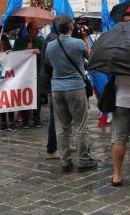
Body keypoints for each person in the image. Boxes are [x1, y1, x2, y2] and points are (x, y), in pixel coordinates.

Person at [45, 15, 97, 173]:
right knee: (81, 125)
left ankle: (65, 161)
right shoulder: (78, 43)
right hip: (75, 87)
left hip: (57, 88)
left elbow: (49, 63)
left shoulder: (50, 46)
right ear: (70, 27)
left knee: (62, 127)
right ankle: (84, 159)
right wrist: (86, 38)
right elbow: (91, 57)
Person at [14, 23, 44, 128]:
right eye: (35, 29)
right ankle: (25, 121)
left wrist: (39, 53)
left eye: (38, 29)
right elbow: (14, 57)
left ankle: (37, 120)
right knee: (24, 97)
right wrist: (27, 50)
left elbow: (45, 57)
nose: (37, 31)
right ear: (29, 30)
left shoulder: (40, 41)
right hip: (23, 75)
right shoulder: (20, 41)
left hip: (37, 73)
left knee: (37, 98)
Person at [40, 23, 59, 159]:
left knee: (60, 116)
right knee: (54, 116)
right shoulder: (53, 41)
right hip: (52, 83)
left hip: (51, 82)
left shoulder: (50, 38)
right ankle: (51, 148)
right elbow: (50, 63)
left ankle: (61, 145)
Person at [0, 35, 17, 131]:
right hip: (0, 82)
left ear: (3, 42)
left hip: (9, 81)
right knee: (2, 101)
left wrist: (9, 54)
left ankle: (12, 121)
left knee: (10, 101)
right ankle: (4, 122)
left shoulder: (10, 52)